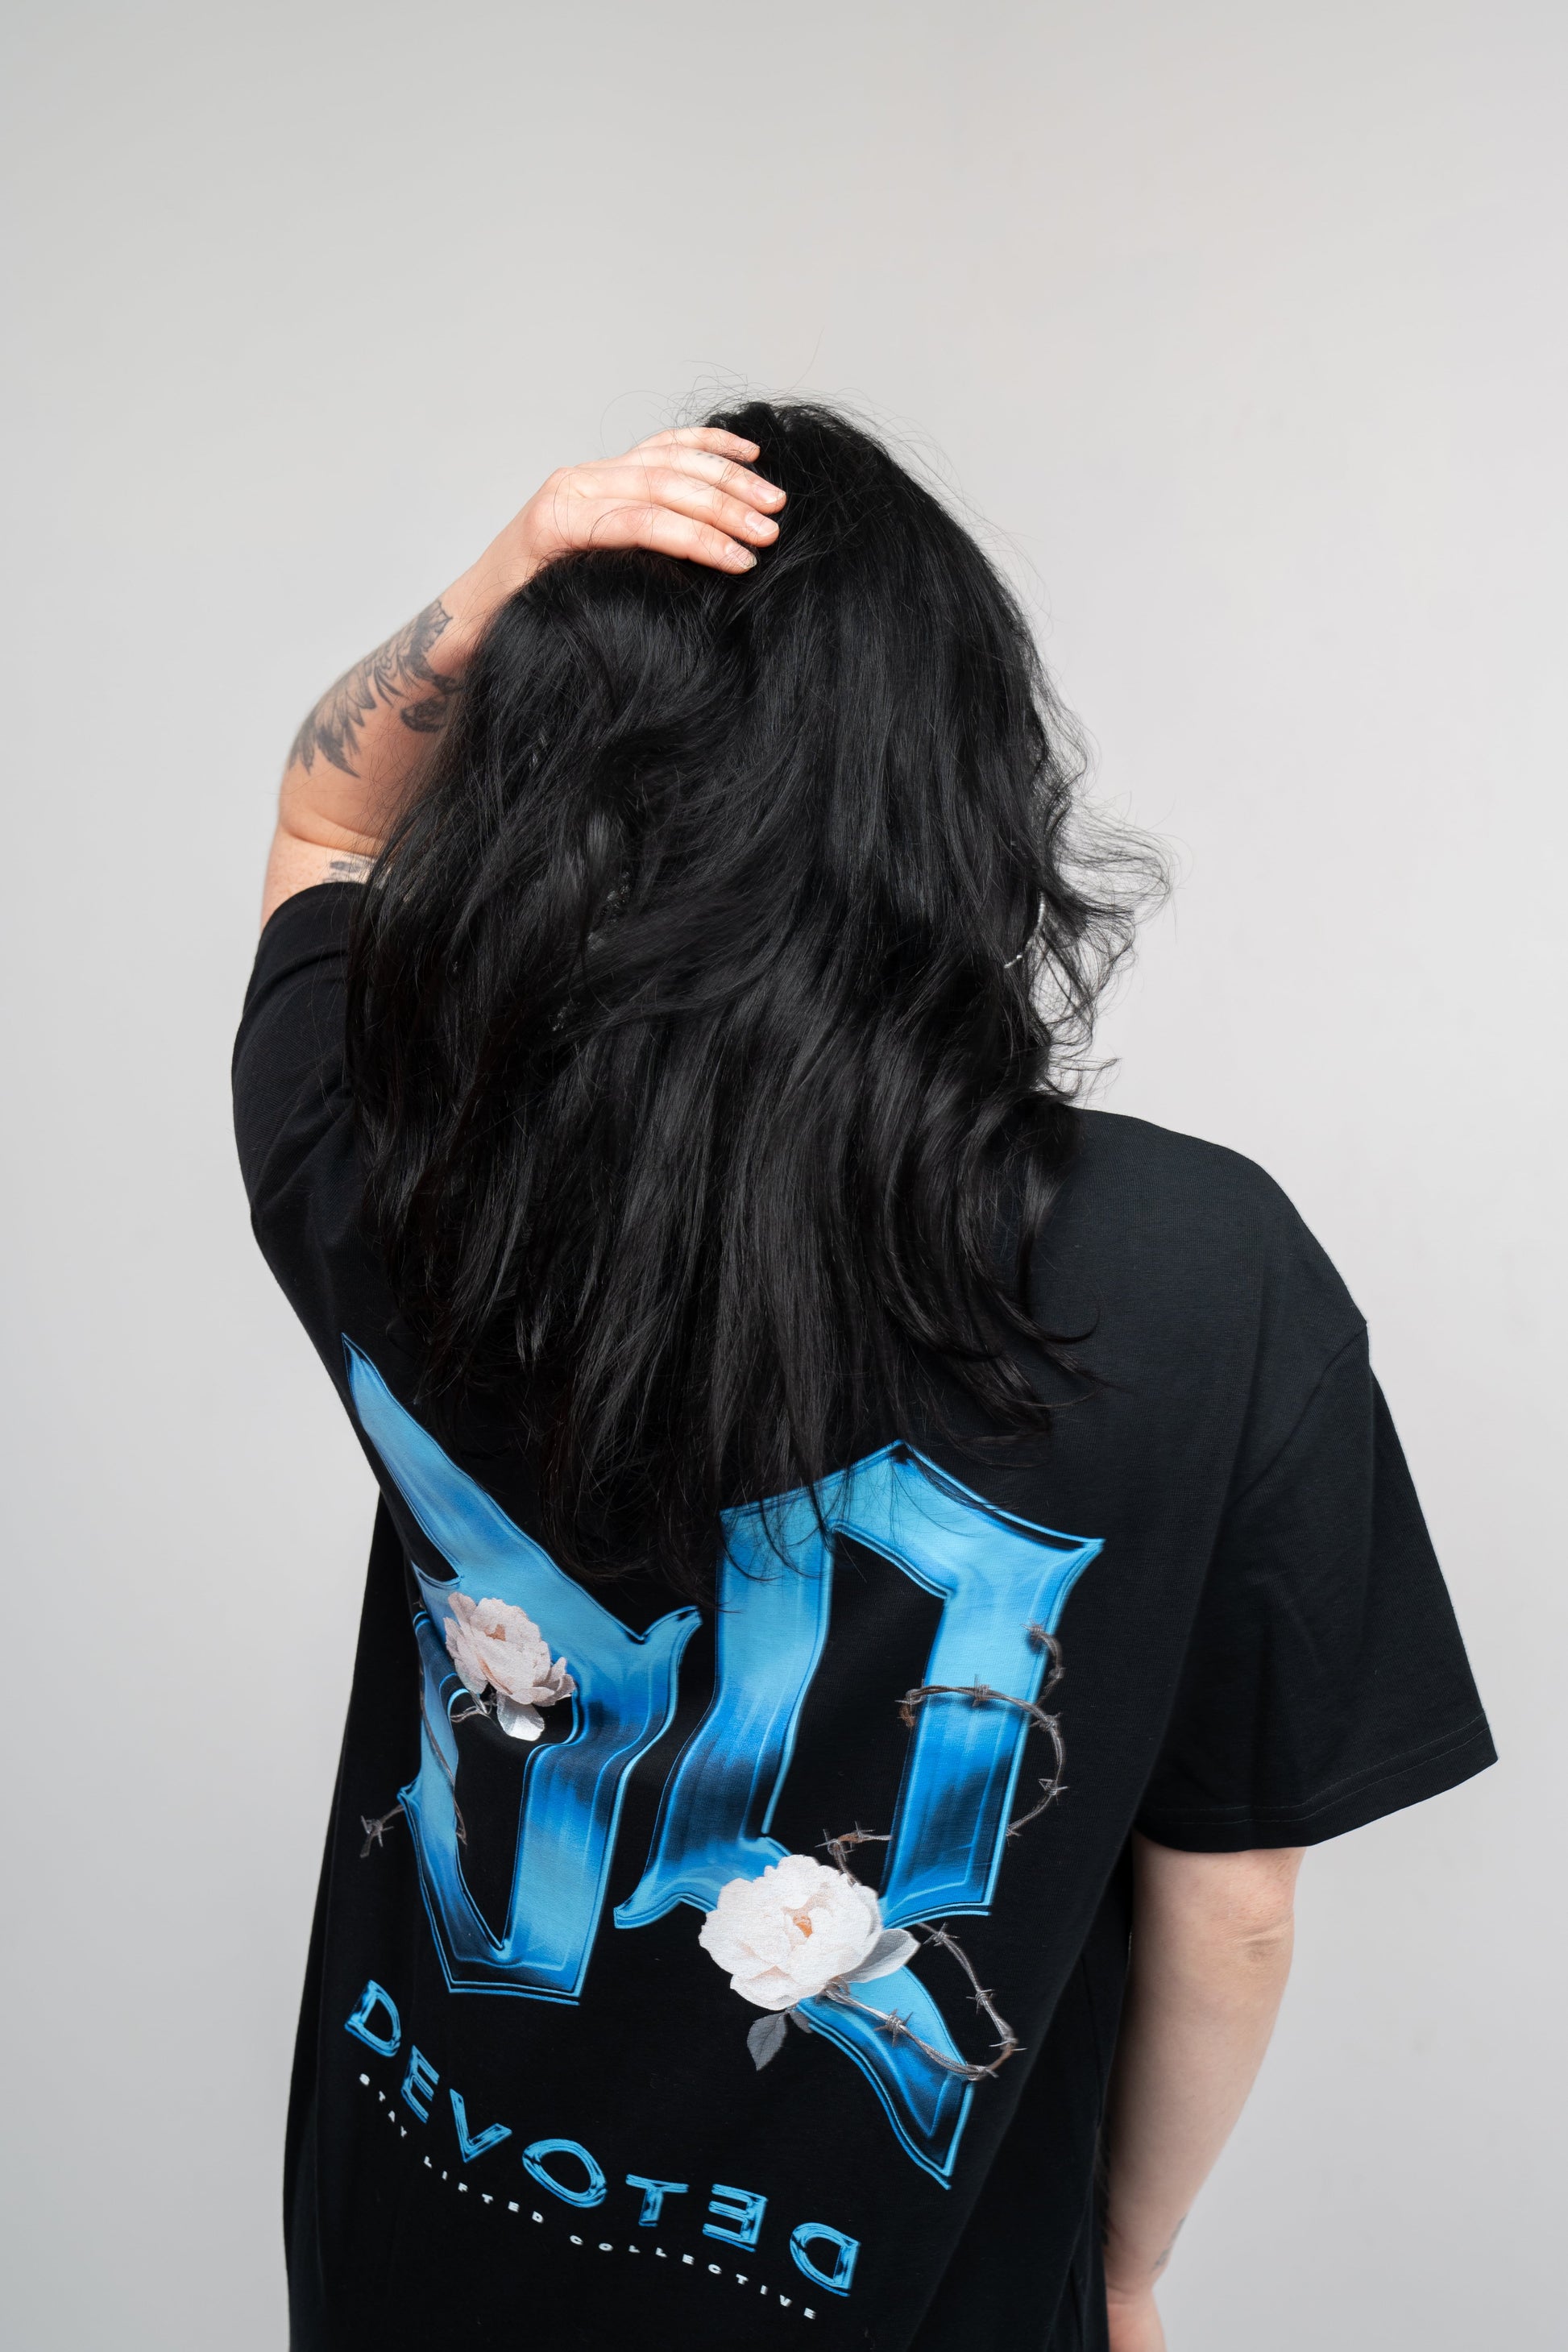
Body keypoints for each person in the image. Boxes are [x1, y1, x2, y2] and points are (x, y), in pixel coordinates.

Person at [234, 401, 1494, 2352]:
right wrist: (1127, 2266)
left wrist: (499, 585)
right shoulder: (1201, 1271)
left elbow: (331, 824)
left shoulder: (406, 1160)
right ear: (964, 791)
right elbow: (1233, 1898)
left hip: (412, 2264)